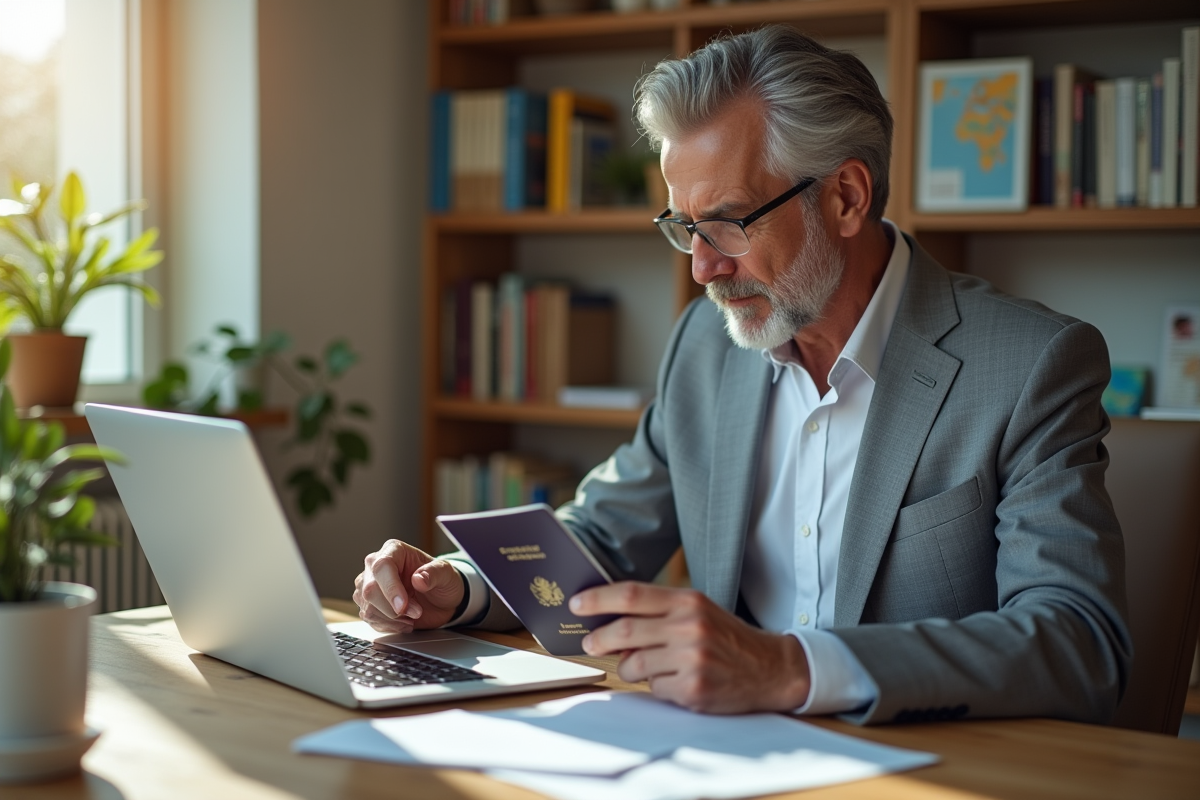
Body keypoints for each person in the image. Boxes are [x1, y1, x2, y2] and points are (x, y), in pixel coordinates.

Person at [354, 26, 1131, 725]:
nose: (701, 268)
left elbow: (1078, 639)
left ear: (847, 198)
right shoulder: (706, 342)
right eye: (682, 226)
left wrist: (786, 668)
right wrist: (456, 587)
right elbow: (602, 537)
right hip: (717, 755)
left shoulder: (1031, 365)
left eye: (728, 220)